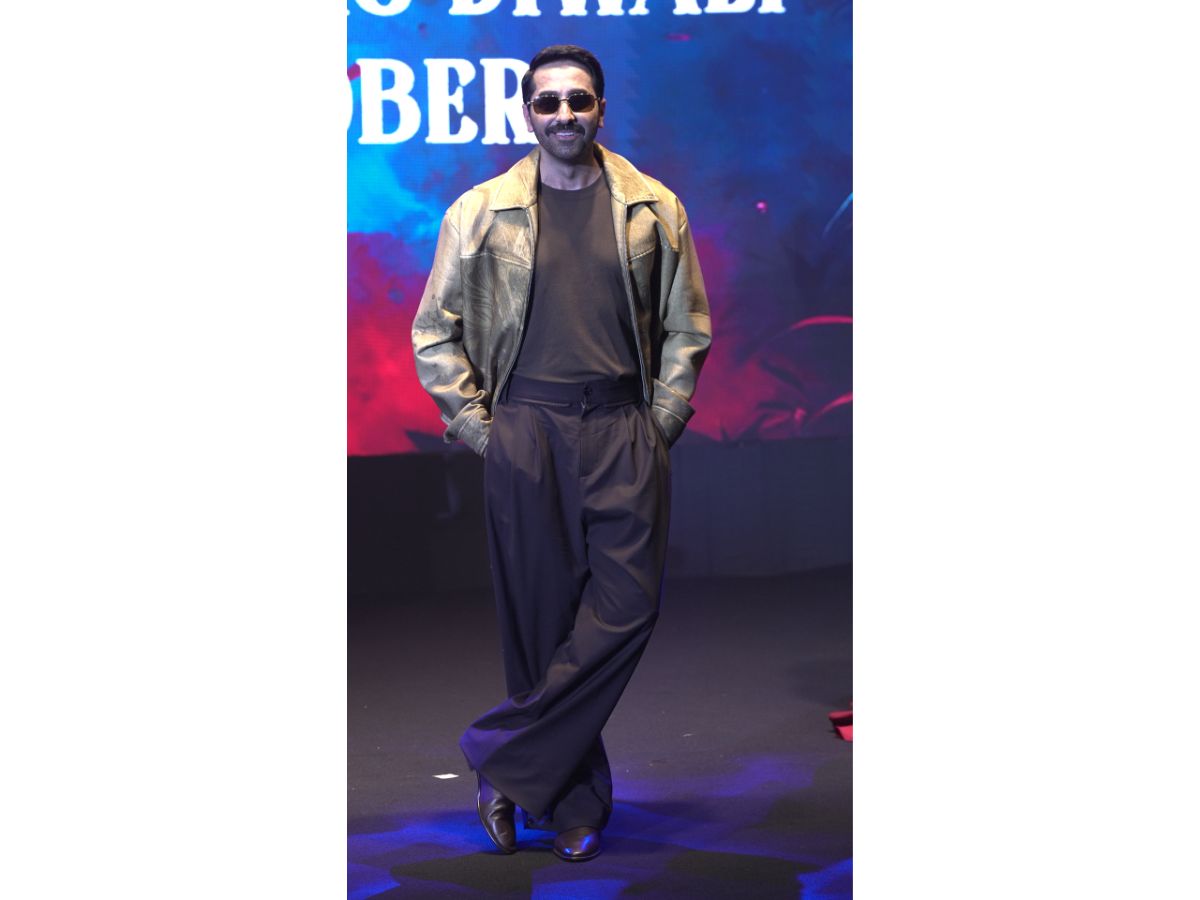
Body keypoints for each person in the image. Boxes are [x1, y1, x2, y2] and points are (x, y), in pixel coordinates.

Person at [411, 44, 711, 863]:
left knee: (627, 609)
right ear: (528, 113)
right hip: (527, 429)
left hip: (622, 427)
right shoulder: (480, 211)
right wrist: (483, 429)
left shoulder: (653, 206)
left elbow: (687, 323)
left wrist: (663, 417)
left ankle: (501, 759)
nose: (564, 115)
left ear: (602, 109)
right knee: (541, 627)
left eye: (579, 100)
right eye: (548, 103)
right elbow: (434, 333)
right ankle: (574, 804)